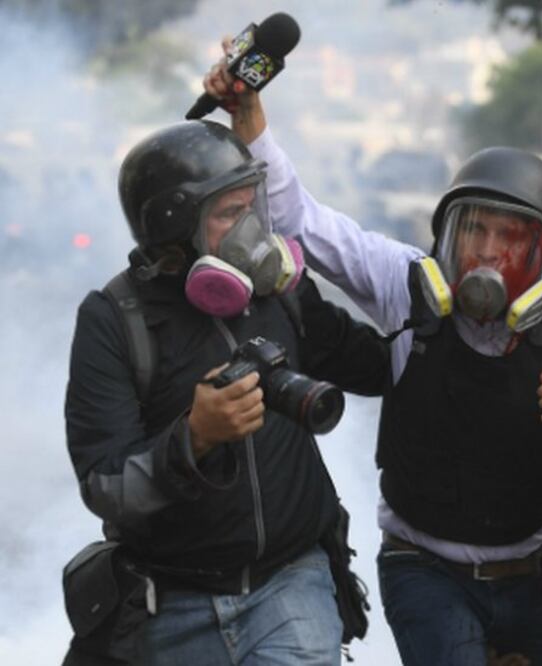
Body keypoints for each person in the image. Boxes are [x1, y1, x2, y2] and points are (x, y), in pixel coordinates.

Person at [203, 59, 542, 666]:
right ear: (446, 235)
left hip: (538, 573)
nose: (486, 252)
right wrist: (251, 124)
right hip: (424, 571)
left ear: (540, 251)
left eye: (509, 237)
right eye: (474, 230)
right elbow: (307, 223)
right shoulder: (407, 288)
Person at [64, 120, 390, 665]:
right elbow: (105, 484)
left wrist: (431, 308)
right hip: (169, 601)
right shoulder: (114, 320)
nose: (251, 234)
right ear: (174, 232)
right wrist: (194, 439)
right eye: (227, 216)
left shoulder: (278, 293)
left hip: (291, 584)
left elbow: (376, 367)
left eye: (251, 209)